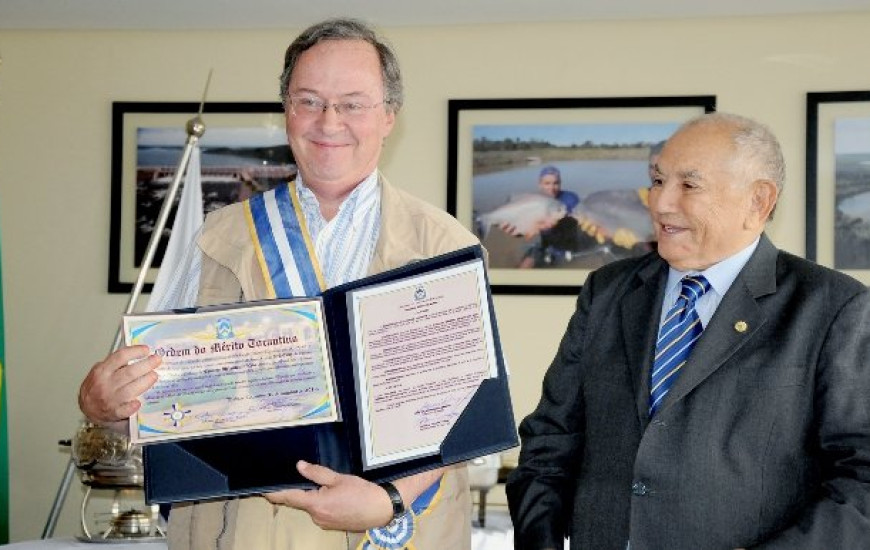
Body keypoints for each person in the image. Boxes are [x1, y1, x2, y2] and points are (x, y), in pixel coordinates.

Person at [78, 18, 477, 550]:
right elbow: (148, 401)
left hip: (385, 535)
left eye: (353, 103)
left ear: (388, 117)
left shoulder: (445, 243)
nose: (329, 121)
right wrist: (103, 403)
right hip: (235, 531)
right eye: (308, 100)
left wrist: (387, 501)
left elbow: (470, 418)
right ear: (287, 110)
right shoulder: (216, 238)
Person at [506, 112, 870, 549]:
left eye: (688, 185)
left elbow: (862, 481)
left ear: (758, 201)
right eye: (658, 181)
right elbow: (549, 440)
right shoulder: (608, 291)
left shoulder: (832, 308)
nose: (659, 203)